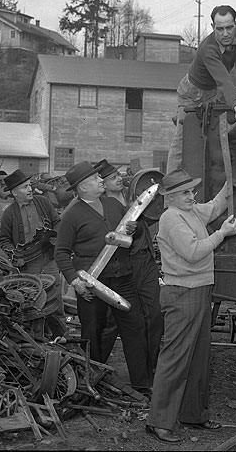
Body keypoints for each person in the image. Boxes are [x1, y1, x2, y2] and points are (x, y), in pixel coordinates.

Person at [146, 169, 236, 444]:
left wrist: (232, 178)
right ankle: (159, 422)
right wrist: (222, 233)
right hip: (182, 293)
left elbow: (216, 204)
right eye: (185, 193)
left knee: (198, 357)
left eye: (191, 191)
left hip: (198, 291)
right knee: (175, 358)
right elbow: (193, 251)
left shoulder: (190, 212)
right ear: (170, 197)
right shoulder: (171, 218)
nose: (191, 196)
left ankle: (193, 414)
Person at [54, 161, 153, 392]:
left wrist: (133, 229)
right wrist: (74, 281)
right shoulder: (72, 215)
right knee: (93, 333)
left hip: (123, 278)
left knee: (135, 327)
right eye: (95, 178)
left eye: (99, 177)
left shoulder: (112, 204)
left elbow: (134, 232)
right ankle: (93, 382)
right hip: (92, 284)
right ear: (82, 188)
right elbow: (61, 252)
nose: (101, 180)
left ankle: (142, 382)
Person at [94, 159, 163, 373]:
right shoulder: (101, 206)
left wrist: (139, 227)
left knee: (154, 314)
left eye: (119, 176)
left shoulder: (131, 195)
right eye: (114, 177)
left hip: (144, 261)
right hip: (123, 266)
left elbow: (148, 219)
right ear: (103, 184)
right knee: (115, 320)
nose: (119, 179)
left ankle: (151, 367)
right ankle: (96, 367)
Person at [166, 5, 236, 173]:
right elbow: (223, 79)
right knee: (182, 139)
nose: (225, 33)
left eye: (229, 27)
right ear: (213, 28)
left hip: (214, 91)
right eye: (220, 29)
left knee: (217, 132)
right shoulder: (208, 48)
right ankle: (170, 187)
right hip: (192, 93)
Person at [0, 169, 65, 337]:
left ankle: (61, 335)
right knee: (33, 299)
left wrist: (54, 238)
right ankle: (38, 337)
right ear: (14, 192)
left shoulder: (43, 202)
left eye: (29, 186)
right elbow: (4, 240)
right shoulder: (9, 213)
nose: (29, 190)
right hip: (27, 264)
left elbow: (57, 222)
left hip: (48, 258)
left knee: (55, 296)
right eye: (24, 187)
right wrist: (14, 255)